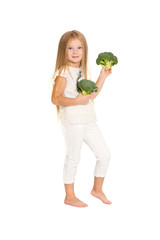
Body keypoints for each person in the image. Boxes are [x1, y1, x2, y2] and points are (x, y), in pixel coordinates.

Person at [50, 30, 112, 208]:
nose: (75, 51)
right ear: (63, 51)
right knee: (73, 157)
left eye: (79, 47)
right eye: (70, 48)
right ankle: (69, 196)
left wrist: (102, 76)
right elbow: (55, 98)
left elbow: (91, 96)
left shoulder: (81, 71)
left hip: (89, 119)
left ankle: (97, 190)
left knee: (105, 155)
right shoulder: (63, 73)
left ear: (84, 50)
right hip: (73, 122)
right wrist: (76, 100)